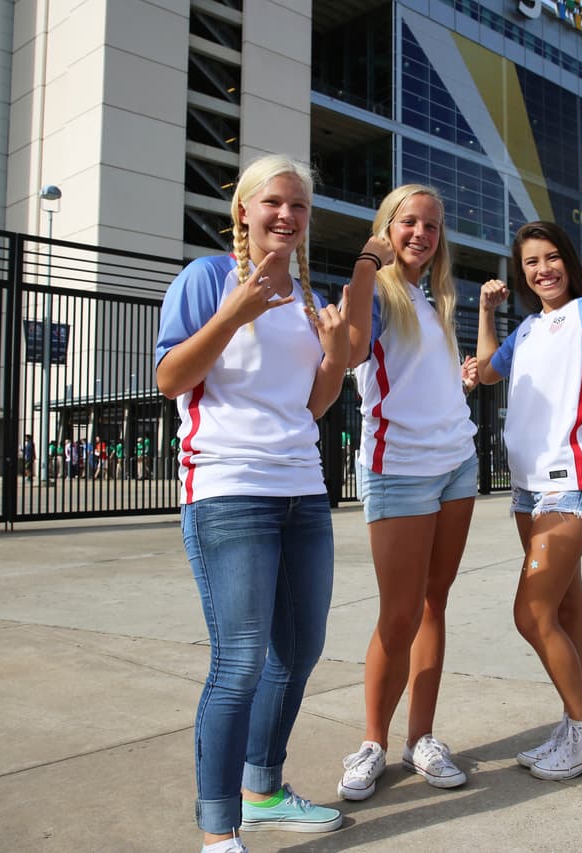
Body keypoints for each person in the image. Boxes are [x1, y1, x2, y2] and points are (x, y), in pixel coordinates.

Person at [156, 153, 383, 852]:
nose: (286, 216)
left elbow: (312, 406)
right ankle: (218, 830)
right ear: (245, 211)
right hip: (228, 491)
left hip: (302, 495)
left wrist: (332, 355)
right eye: (274, 203)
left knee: (299, 649)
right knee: (240, 660)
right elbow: (170, 377)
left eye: (299, 207)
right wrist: (233, 314)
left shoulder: (310, 300)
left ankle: (263, 789)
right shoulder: (207, 278)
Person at [475, 223, 582, 780]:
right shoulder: (527, 328)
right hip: (527, 489)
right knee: (566, 610)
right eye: (530, 263)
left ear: (567, 262)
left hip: (568, 484)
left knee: (531, 613)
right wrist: (486, 313)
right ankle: (574, 725)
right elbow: (487, 371)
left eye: (551, 259)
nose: (542, 270)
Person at [337, 184, 480, 803]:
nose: (422, 233)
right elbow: (346, 352)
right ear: (386, 228)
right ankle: (372, 741)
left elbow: (421, 380)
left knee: (433, 604)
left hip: (458, 465)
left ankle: (420, 737)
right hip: (400, 470)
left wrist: (459, 386)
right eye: (409, 222)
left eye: (432, 225)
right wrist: (366, 264)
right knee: (397, 615)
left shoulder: (435, 299)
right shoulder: (375, 290)